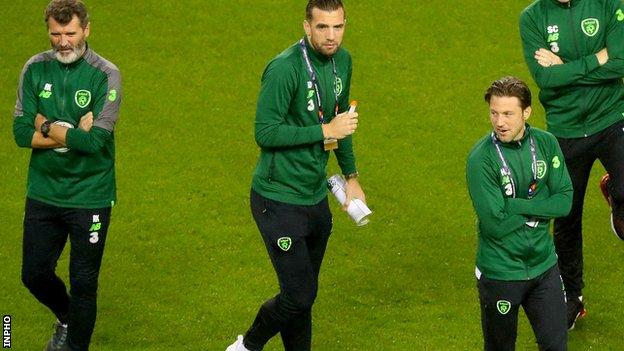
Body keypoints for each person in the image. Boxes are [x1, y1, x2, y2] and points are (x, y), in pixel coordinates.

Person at [226, 1, 364, 350]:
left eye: (338, 27)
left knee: (302, 296)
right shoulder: (284, 68)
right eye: (322, 27)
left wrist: (351, 176)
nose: (331, 36)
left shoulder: (342, 63)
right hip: (277, 199)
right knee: (299, 294)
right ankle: (247, 346)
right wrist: (323, 129)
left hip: (315, 197)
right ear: (306, 27)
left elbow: (342, 123)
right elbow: (266, 132)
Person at [12, 0, 122, 350]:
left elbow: (96, 142)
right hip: (44, 192)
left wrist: (43, 123)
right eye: (55, 34)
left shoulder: (106, 74)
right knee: (33, 275)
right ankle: (67, 318)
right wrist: (74, 131)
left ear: (86, 29)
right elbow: (18, 135)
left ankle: (75, 345)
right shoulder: (34, 69)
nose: (63, 42)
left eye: (70, 33)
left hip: (90, 195)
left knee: (84, 283)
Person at [520, 0, 624, 329]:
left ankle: (616, 192)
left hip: (612, 119)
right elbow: (545, 79)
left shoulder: (609, 4)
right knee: (566, 217)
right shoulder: (532, 18)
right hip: (565, 132)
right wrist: (598, 58)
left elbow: (621, 62)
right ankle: (572, 298)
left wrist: (566, 67)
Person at [466, 77, 572, 350]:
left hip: (544, 268)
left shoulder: (547, 144)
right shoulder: (481, 159)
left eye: (508, 114)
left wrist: (516, 205)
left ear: (526, 112)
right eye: (494, 113)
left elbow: (564, 203)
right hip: (501, 274)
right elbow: (495, 225)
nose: (499, 122)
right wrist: (542, 202)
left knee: (556, 347)